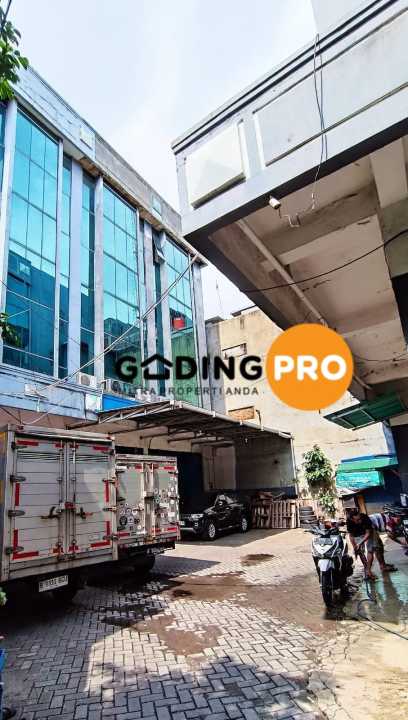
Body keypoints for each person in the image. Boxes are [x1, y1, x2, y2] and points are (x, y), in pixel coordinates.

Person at [346, 508, 396, 580]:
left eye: (360, 519)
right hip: (358, 534)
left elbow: (368, 533)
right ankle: (367, 571)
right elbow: (351, 536)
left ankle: (381, 567)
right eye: (357, 520)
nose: (360, 521)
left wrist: (360, 543)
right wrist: (355, 547)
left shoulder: (364, 517)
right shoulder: (349, 522)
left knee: (373, 549)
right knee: (360, 552)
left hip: (369, 532)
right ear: (352, 519)